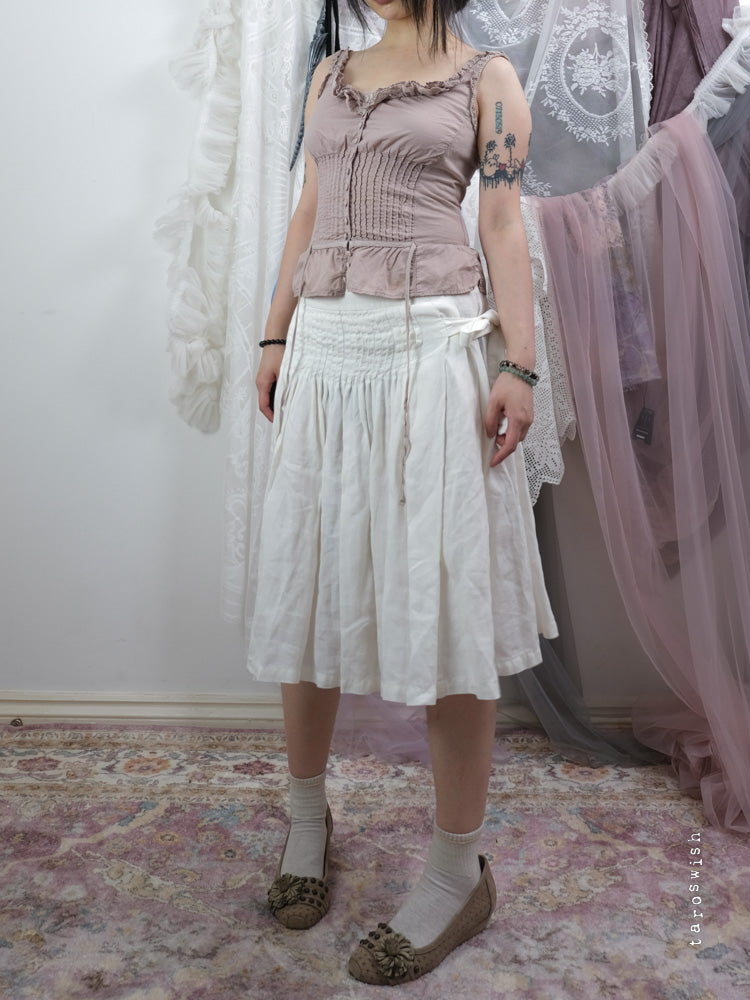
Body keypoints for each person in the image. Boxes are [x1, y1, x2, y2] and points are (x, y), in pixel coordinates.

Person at [251, 0, 557, 985]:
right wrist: (274, 332)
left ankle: (456, 870)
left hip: (431, 353)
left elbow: (500, 224)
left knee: (450, 605)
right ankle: (307, 822)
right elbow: (308, 209)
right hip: (327, 352)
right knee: (310, 587)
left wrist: (520, 363)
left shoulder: (487, 80)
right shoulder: (329, 75)